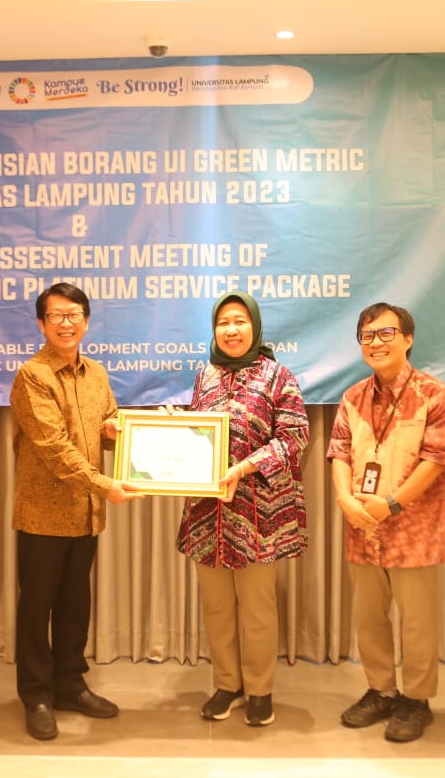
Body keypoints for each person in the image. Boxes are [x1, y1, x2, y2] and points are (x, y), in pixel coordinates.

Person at [10, 282, 141, 741]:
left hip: (84, 513)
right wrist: (105, 485)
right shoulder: (32, 376)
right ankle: (35, 694)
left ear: (86, 321)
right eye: (57, 315)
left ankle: (69, 684)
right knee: (37, 608)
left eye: (74, 315)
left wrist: (118, 431)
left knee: (74, 606)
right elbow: (53, 447)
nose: (66, 323)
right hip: (43, 514)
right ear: (42, 323)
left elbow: (106, 425)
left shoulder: (96, 373)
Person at [327, 302, 445, 743]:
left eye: (386, 333)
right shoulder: (352, 397)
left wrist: (393, 504)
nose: (376, 343)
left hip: (414, 530)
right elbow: (339, 452)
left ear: (408, 339)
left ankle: (417, 700)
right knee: (368, 617)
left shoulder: (434, 395)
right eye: (367, 336)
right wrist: (345, 499)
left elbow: (437, 459)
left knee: (417, 622)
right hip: (363, 526)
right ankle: (381, 690)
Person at [176, 292, 309, 728]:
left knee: (256, 609)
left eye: (239, 320)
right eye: (222, 322)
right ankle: (227, 684)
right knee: (216, 607)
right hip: (208, 516)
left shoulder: (278, 376)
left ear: (254, 325)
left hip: (258, 515)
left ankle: (259, 690)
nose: (231, 330)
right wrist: (172, 429)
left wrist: (245, 467)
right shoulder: (205, 377)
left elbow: (294, 437)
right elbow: (198, 436)